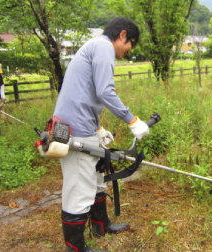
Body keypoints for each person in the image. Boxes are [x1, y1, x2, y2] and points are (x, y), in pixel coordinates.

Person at [53, 17, 149, 252]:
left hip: (83, 126)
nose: (128, 51)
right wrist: (132, 120)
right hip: (75, 130)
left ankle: (100, 225)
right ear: (123, 35)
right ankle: (75, 248)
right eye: (130, 44)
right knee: (78, 188)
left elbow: (85, 93)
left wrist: (98, 129)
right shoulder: (104, 47)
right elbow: (105, 91)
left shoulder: (95, 47)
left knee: (96, 178)